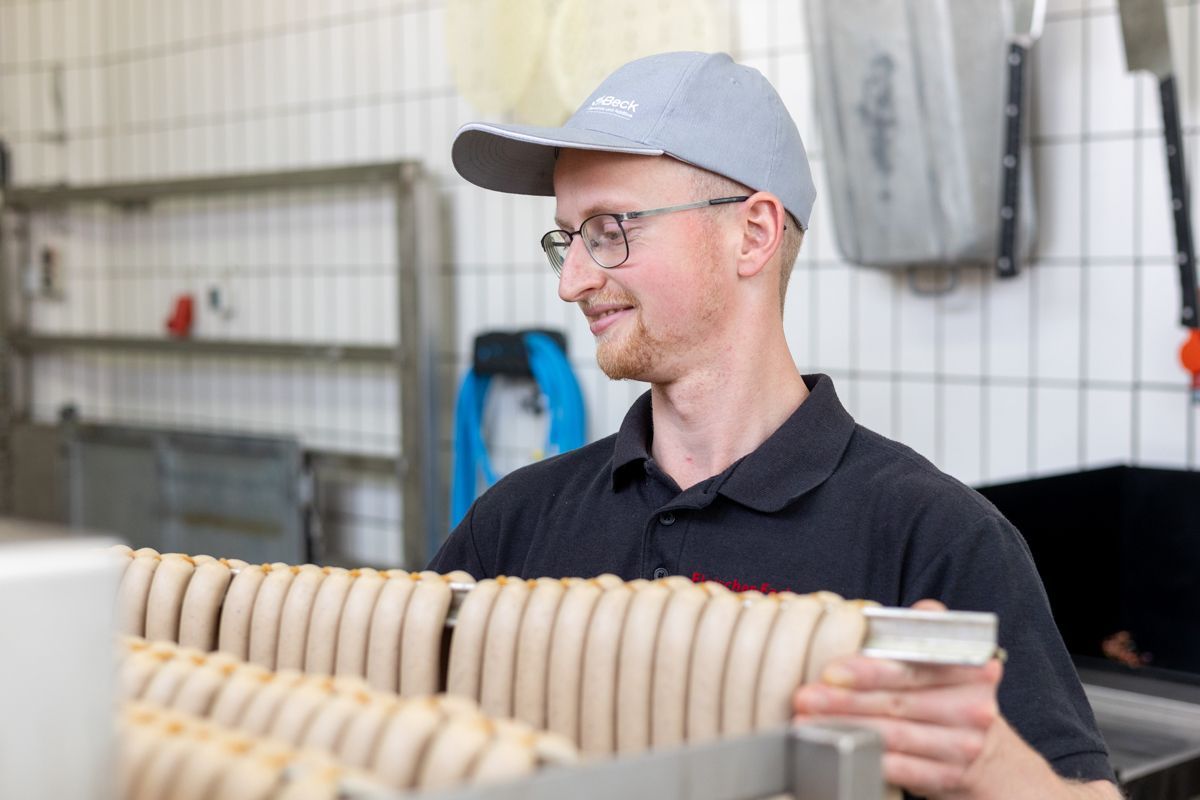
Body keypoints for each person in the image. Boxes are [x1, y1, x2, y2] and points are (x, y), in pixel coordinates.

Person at [433, 51, 1119, 799]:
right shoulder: (516, 522)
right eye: (569, 237)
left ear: (753, 234)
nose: (572, 281)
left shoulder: (932, 538)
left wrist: (989, 767)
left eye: (609, 229)